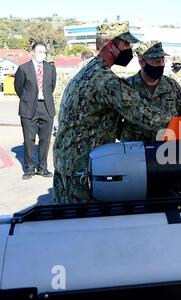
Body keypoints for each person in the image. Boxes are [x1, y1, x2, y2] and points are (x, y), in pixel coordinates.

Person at [53, 21, 161, 204]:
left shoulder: (87, 69)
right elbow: (146, 115)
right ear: (110, 46)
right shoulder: (103, 79)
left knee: (65, 224)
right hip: (84, 171)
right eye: (126, 44)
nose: (130, 49)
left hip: (66, 164)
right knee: (87, 226)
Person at [120, 41, 181, 142]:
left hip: (166, 149)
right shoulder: (127, 86)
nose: (161, 65)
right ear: (142, 62)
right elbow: (116, 121)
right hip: (135, 150)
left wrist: (180, 146)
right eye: (156, 62)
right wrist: (127, 137)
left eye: (162, 61)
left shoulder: (172, 86)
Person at [14, 41, 57, 180]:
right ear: (32, 52)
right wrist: (28, 99)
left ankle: (43, 168)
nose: (43, 55)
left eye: (44, 52)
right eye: (40, 52)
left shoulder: (50, 69)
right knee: (29, 139)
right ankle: (29, 168)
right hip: (28, 108)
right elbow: (19, 88)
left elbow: (51, 87)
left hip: (46, 107)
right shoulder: (23, 68)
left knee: (45, 140)